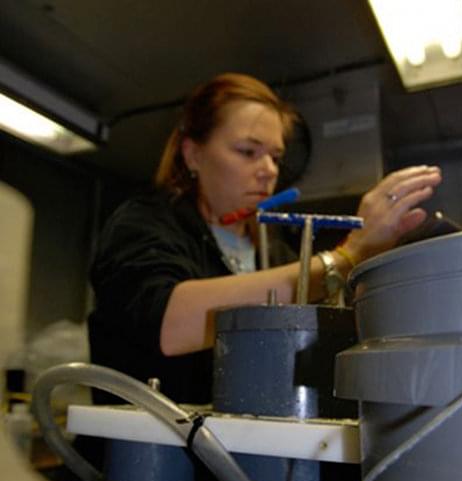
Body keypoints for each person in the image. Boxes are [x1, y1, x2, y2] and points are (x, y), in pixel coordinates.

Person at [88, 72, 442, 406]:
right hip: (146, 453)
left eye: (275, 157)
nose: (269, 170)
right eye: (247, 151)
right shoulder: (144, 223)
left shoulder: (272, 249)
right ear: (193, 153)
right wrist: (345, 256)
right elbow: (169, 324)